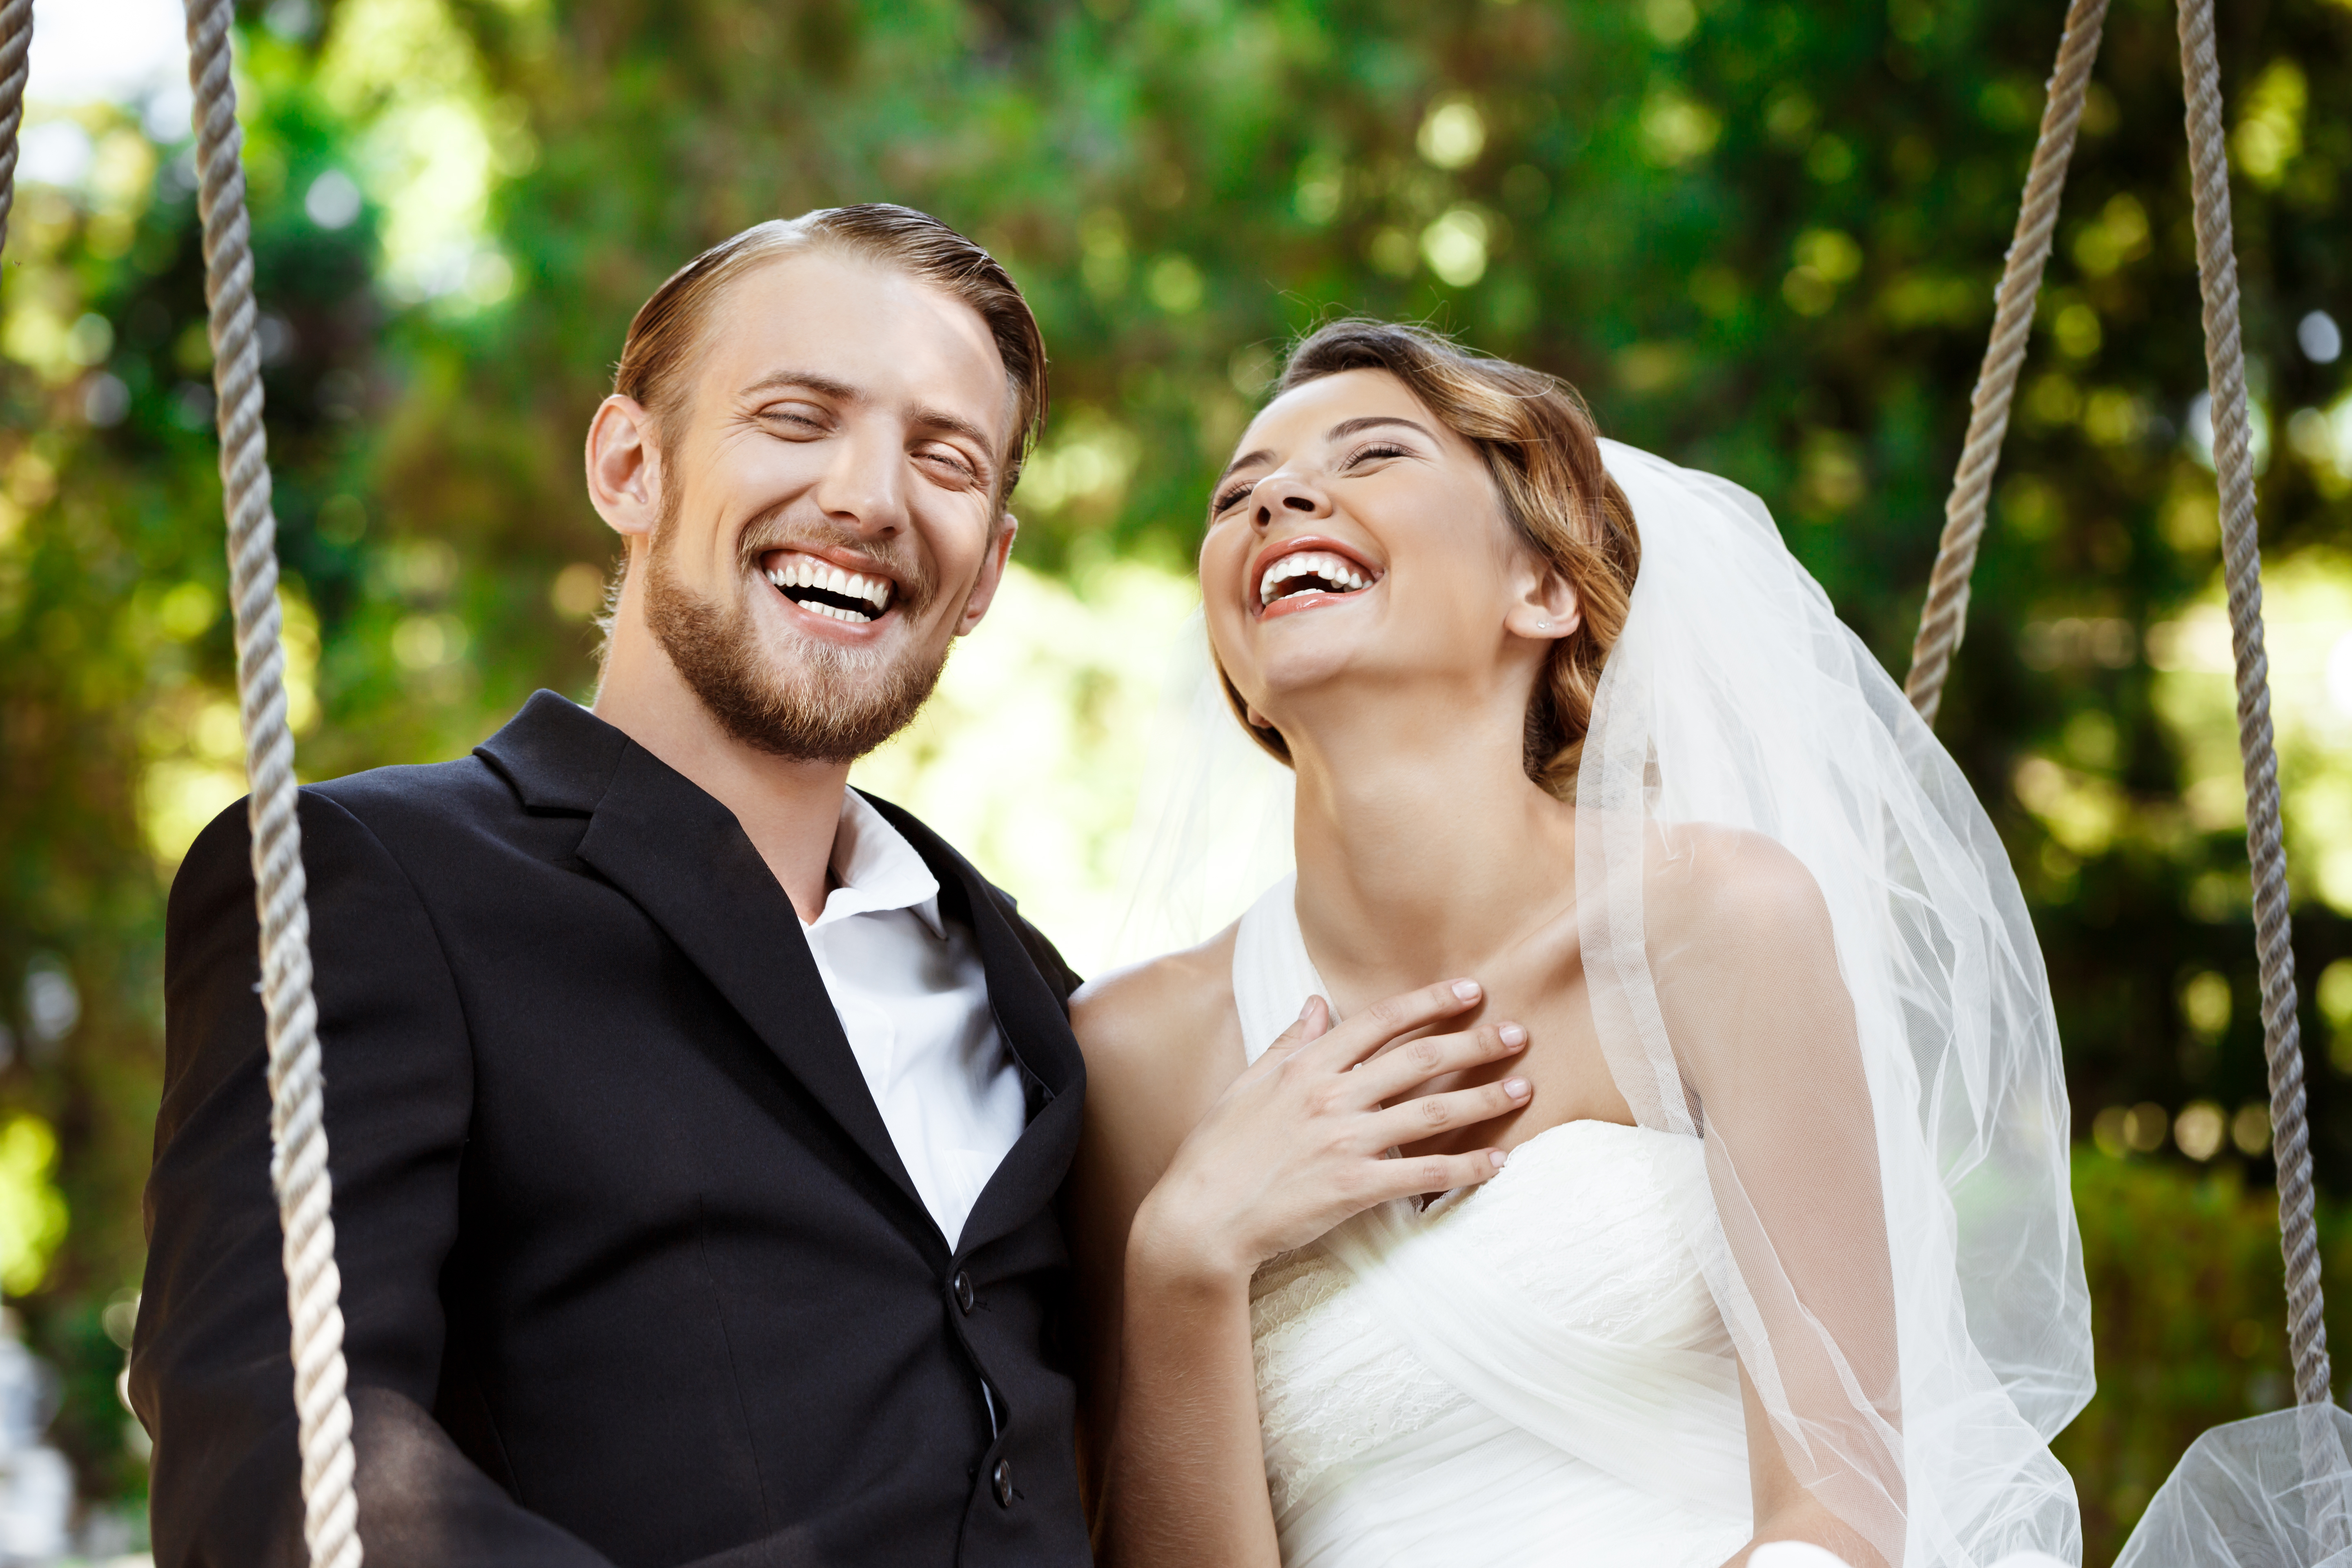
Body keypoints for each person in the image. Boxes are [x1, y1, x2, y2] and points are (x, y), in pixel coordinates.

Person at [133, 204, 1097, 1567]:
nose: (872, 499)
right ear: (630, 464)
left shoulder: (1033, 984)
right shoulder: (365, 879)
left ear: (989, 567)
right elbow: (279, 1443)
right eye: (799, 416)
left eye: (944, 458)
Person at [1070, 321, 2093, 1568]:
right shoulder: (1133, 1052)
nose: (1277, 498)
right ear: (1237, 669)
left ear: (1543, 589)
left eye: (1374, 454)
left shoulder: (1720, 923)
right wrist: (1183, 1256)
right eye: (1239, 496)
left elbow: (1843, 1508)